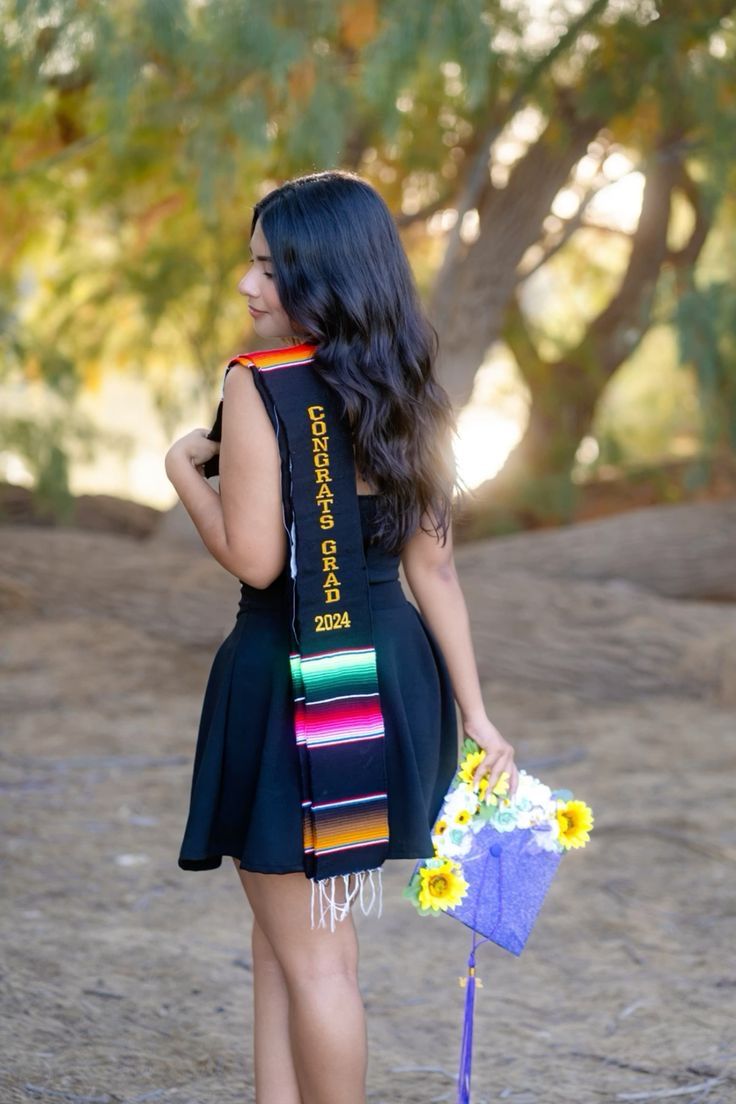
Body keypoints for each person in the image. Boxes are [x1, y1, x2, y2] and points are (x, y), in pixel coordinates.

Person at [164, 170, 519, 1104]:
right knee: (290, 935)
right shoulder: (408, 386)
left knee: (315, 955)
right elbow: (433, 568)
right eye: (252, 263)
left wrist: (178, 470)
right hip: (386, 673)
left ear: (324, 276)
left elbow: (253, 560)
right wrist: (476, 715)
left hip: (293, 674)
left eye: (271, 269)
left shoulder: (259, 387)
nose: (248, 287)